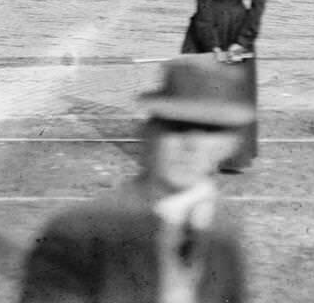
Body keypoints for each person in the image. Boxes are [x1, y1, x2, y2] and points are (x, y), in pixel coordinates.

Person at [18, 54, 254, 303]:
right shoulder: (78, 235)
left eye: (209, 130)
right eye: (177, 127)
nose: (191, 145)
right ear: (148, 134)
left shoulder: (223, 235)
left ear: (231, 145)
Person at [182, 0, 265, 173]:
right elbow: (258, 6)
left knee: (200, 91)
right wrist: (243, 41)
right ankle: (235, 156)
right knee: (238, 95)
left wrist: (211, 44)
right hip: (239, 23)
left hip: (210, 24)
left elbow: (203, 2)